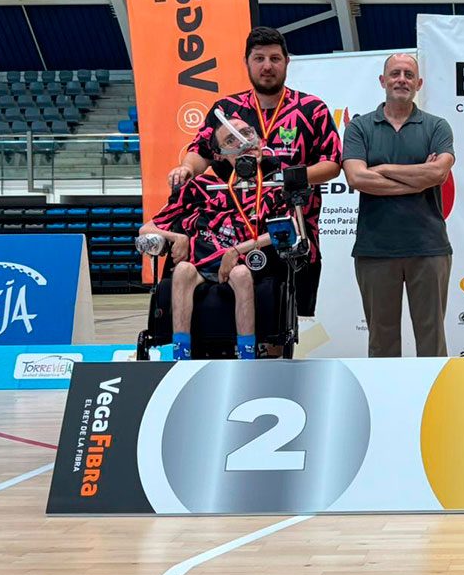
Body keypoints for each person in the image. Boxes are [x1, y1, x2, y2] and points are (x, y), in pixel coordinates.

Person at [166, 26, 341, 318]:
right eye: (259, 58)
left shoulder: (312, 109)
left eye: (275, 58)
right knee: (220, 314)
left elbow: (332, 163)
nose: (267, 66)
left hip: (289, 235)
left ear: (287, 61)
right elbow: (200, 152)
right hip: (227, 235)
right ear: (246, 62)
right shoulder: (226, 110)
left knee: (281, 319)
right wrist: (186, 168)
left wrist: (287, 177)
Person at [141, 115, 291, 360]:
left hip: (242, 264)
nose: (243, 142)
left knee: (241, 274)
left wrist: (236, 251)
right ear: (219, 155)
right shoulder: (200, 186)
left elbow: (286, 229)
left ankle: (247, 354)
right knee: (182, 270)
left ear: (259, 139)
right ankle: (181, 354)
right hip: (199, 264)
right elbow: (146, 230)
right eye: (231, 140)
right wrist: (178, 237)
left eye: (246, 133)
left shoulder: (274, 186)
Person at [342, 54, 455, 358]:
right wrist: (417, 179)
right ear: (383, 81)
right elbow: (356, 177)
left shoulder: (437, 126)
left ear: (419, 83)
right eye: (395, 74)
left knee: (432, 342)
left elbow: (438, 173)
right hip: (375, 249)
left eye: (408, 74)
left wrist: (380, 169)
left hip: (429, 248)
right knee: (382, 344)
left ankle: (434, 393)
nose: (401, 79)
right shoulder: (359, 127)